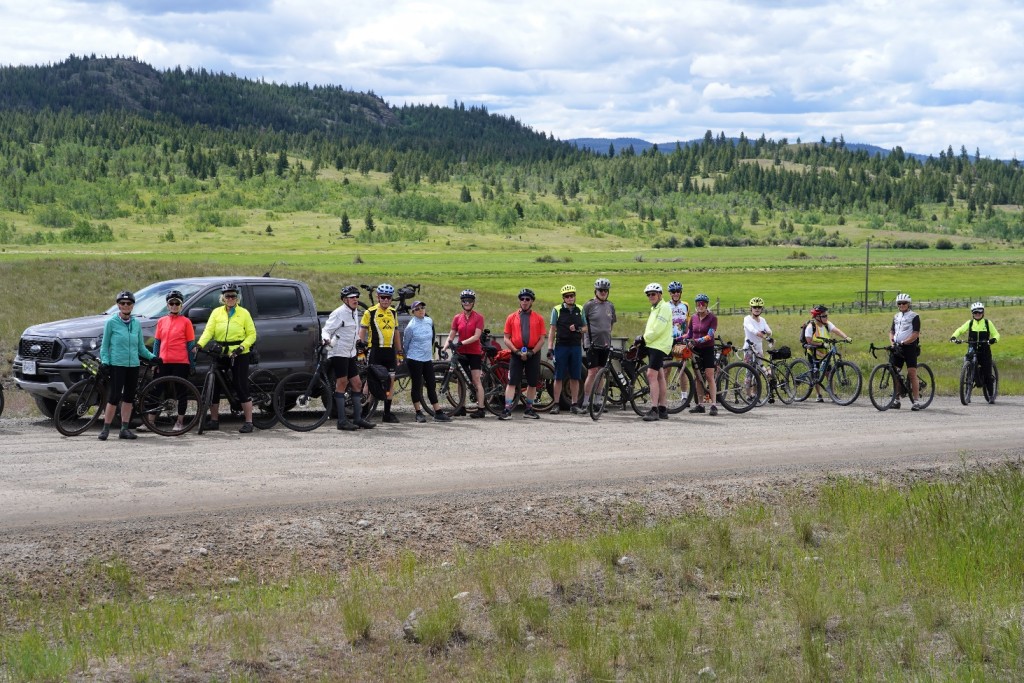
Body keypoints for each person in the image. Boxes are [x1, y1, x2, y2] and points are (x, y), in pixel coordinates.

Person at [196, 282, 258, 433]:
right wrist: (199, 345)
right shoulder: (216, 312)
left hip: (239, 352)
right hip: (221, 351)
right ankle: (214, 420)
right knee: (215, 386)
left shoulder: (244, 313)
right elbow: (208, 331)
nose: (230, 298)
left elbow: (252, 334)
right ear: (222, 298)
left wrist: (242, 347)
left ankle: (249, 422)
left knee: (240, 385)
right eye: (227, 296)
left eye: (233, 296)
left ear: (237, 298)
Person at [98, 290, 159, 440]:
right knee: (114, 397)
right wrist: (105, 361)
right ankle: (105, 428)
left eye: (129, 303)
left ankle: (124, 429)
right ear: (118, 305)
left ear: (132, 306)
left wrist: (153, 357)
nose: (125, 305)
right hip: (117, 364)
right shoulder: (111, 323)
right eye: (122, 303)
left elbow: (140, 347)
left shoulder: (136, 324)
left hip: (133, 366)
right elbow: (104, 346)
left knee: (129, 398)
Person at [321, 285, 374, 430]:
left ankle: (357, 419)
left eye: (356, 297)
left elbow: (352, 331)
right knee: (342, 383)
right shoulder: (338, 313)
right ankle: (341, 421)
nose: (355, 300)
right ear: (345, 300)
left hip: (350, 353)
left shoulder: (355, 312)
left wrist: (359, 341)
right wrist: (325, 340)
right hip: (338, 352)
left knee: (357, 384)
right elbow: (326, 330)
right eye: (352, 298)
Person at [359, 283, 404, 424]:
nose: (385, 300)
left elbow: (396, 333)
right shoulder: (370, 312)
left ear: (391, 299)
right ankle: (364, 412)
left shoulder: (393, 312)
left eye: (388, 298)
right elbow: (362, 332)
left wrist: (399, 352)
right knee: (370, 383)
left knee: (391, 381)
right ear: (378, 297)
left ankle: (387, 413)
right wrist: (360, 351)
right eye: (383, 297)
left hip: (389, 351)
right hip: (375, 350)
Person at [500, 288, 546, 420]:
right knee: (512, 381)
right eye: (522, 299)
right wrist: (515, 351)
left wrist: (532, 352)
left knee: (532, 382)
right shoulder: (511, 317)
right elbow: (506, 338)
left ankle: (529, 409)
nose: (524, 301)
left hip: (533, 352)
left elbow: (542, 339)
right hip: (516, 352)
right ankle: (507, 409)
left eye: (527, 299)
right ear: (519, 301)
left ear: (532, 301)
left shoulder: (538, 318)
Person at [153, 289, 195, 432]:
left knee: (181, 392)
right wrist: (154, 360)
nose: (174, 306)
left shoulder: (186, 322)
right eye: (172, 303)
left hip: (181, 361)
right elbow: (157, 343)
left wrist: (192, 364)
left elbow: (190, 345)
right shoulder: (161, 321)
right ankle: (151, 420)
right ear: (168, 305)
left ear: (181, 305)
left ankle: (180, 421)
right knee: (157, 390)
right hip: (164, 361)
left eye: (177, 303)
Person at [403, 300, 452, 423]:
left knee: (431, 384)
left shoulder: (429, 321)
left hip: (427, 358)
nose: (421, 310)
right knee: (417, 385)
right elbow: (406, 344)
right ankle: (418, 412)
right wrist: (410, 355)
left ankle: (438, 412)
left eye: (423, 307)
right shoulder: (410, 326)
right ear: (413, 311)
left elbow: (431, 339)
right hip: (414, 358)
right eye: (418, 309)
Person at [443, 289, 487, 418]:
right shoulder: (457, 317)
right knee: (460, 380)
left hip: (474, 352)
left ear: (473, 302)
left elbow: (476, 336)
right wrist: (445, 348)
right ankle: (460, 407)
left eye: (469, 301)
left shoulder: (479, 318)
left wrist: (461, 343)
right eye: (464, 301)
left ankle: (481, 408)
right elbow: (451, 335)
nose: (467, 303)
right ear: (461, 302)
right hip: (461, 352)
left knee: (476, 380)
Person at [546, 284, 587, 414]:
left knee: (575, 376)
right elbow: (552, 330)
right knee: (558, 376)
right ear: (563, 298)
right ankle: (556, 404)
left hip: (575, 347)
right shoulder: (557, 310)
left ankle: (574, 404)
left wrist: (578, 328)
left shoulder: (580, 309)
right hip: (561, 346)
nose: (570, 298)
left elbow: (586, 328)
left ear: (575, 297)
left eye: (572, 296)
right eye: (567, 296)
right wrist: (550, 348)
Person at [950, 302, 1000, 399]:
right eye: (975, 312)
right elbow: (960, 330)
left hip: (984, 350)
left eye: (980, 312)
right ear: (972, 313)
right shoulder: (970, 323)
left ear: (983, 312)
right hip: (972, 348)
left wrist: (993, 340)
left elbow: (997, 334)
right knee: (968, 370)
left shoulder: (987, 323)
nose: (977, 314)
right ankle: (966, 394)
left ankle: (990, 395)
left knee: (987, 373)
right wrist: (954, 337)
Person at [803, 304, 852, 402]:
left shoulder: (827, 324)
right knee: (815, 374)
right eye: (824, 316)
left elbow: (836, 330)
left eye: (826, 315)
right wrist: (821, 344)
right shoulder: (810, 326)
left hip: (825, 354)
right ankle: (819, 395)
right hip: (813, 353)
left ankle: (833, 394)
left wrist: (845, 337)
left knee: (829, 373)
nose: (826, 317)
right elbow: (808, 340)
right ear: (817, 317)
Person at [581, 278, 616, 411]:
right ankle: (585, 402)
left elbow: (610, 324)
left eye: (605, 290)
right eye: (600, 290)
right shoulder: (589, 305)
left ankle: (597, 402)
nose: (603, 292)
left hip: (605, 344)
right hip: (592, 344)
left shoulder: (610, 306)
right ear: (595, 291)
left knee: (601, 372)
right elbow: (582, 325)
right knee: (592, 372)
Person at [640, 283, 673, 421]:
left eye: (653, 294)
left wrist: (643, 338)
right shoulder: (655, 308)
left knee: (651, 375)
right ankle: (663, 408)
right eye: (648, 295)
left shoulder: (664, 307)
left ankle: (654, 409)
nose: (650, 297)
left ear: (660, 294)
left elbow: (658, 329)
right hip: (654, 344)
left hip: (658, 345)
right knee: (659, 376)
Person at [685, 293, 720, 416]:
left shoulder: (712, 318)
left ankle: (714, 404)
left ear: (706, 305)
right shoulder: (693, 318)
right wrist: (677, 338)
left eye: (703, 304)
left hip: (707, 349)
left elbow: (710, 335)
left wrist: (697, 341)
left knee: (709, 376)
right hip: (696, 350)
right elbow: (689, 334)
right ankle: (700, 404)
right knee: (698, 378)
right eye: (698, 303)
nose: (700, 306)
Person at [890, 293, 922, 410]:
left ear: (909, 304)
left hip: (909, 347)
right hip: (897, 346)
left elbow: (915, 333)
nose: (902, 305)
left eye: (904, 303)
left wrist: (905, 341)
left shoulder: (914, 316)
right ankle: (896, 400)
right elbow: (891, 331)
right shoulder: (896, 316)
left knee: (912, 373)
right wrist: (892, 343)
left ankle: (916, 401)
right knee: (895, 372)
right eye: (899, 303)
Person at [743, 297, 772, 400]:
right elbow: (752, 330)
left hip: (759, 349)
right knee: (749, 372)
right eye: (755, 307)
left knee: (758, 372)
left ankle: (755, 394)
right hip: (749, 348)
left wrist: (766, 333)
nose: (757, 309)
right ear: (751, 308)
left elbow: (769, 331)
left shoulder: (763, 320)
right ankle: (748, 394)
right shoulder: (747, 319)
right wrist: (762, 334)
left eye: (759, 307)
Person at [667, 280, 690, 404]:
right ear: (670, 293)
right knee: (667, 368)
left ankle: (684, 396)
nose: (675, 294)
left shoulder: (685, 305)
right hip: (668, 340)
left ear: (681, 292)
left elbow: (687, 322)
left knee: (682, 368)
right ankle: (663, 396)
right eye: (673, 292)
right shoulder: (665, 306)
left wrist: (687, 337)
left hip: (681, 341)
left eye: (678, 291)